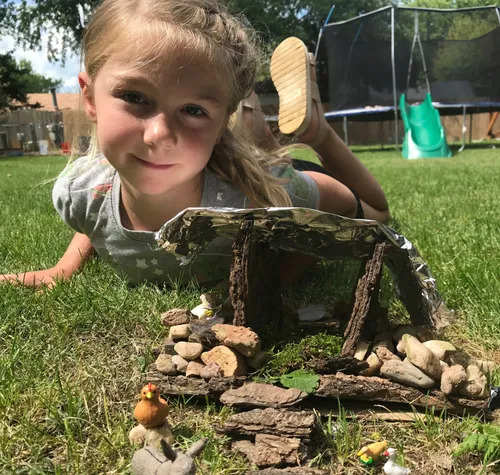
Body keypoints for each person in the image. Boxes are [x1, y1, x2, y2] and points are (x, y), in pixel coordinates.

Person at [0, 0, 389, 289]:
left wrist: (276, 278)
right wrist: (64, 268)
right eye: (135, 97)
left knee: (376, 213)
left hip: (269, 176)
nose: (158, 135)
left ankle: (315, 131)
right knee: (250, 149)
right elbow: (97, 209)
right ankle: (242, 115)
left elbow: (340, 205)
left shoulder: (255, 199)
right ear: (89, 98)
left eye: (191, 109)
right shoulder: (79, 192)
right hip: (226, 145)